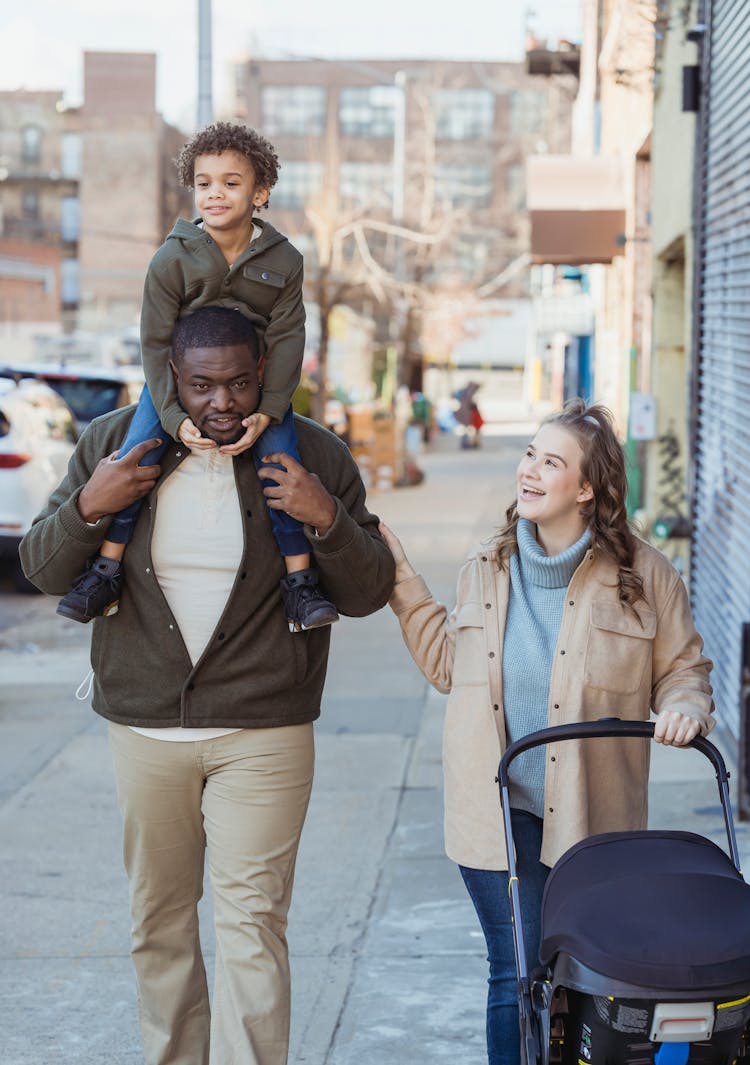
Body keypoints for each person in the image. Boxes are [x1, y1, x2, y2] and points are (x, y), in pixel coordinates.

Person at [20, 307, 395, 1065]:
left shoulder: (312, 451)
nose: (220, 402)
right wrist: (94, 502)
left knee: (252, 927)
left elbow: (368, 591)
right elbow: (39, 567)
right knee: (158, 924)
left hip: (264, 730)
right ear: (171, 377)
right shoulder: (115, 443)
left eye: (237, 382)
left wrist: (326, 520)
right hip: (145, 727)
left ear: (265, 372)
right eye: (200, 385)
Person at [378, 398, 713, 1065]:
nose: (529, 470)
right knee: (518, 970)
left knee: (581, 978)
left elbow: (685, 670)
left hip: (594, 821)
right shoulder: (486, 566)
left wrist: (685, 706)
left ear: (587, 489)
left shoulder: (646, 577)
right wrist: (399, 578)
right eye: (529, 454)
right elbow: (449, 663)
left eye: (550, 461)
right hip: (495, 811)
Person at [56, 121, 338, 633]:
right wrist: (169, 414)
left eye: (231, 182)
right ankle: (107, 568)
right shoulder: (172, 258)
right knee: (134, 457)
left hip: (255, 391)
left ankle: (300, 583)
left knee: (284, 464)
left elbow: (288, 337)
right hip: (177, 390)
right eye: (204, 183)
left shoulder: (285, 260)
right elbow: (155, 342)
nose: (215, 193)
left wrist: (270, 409)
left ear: (260, 191)